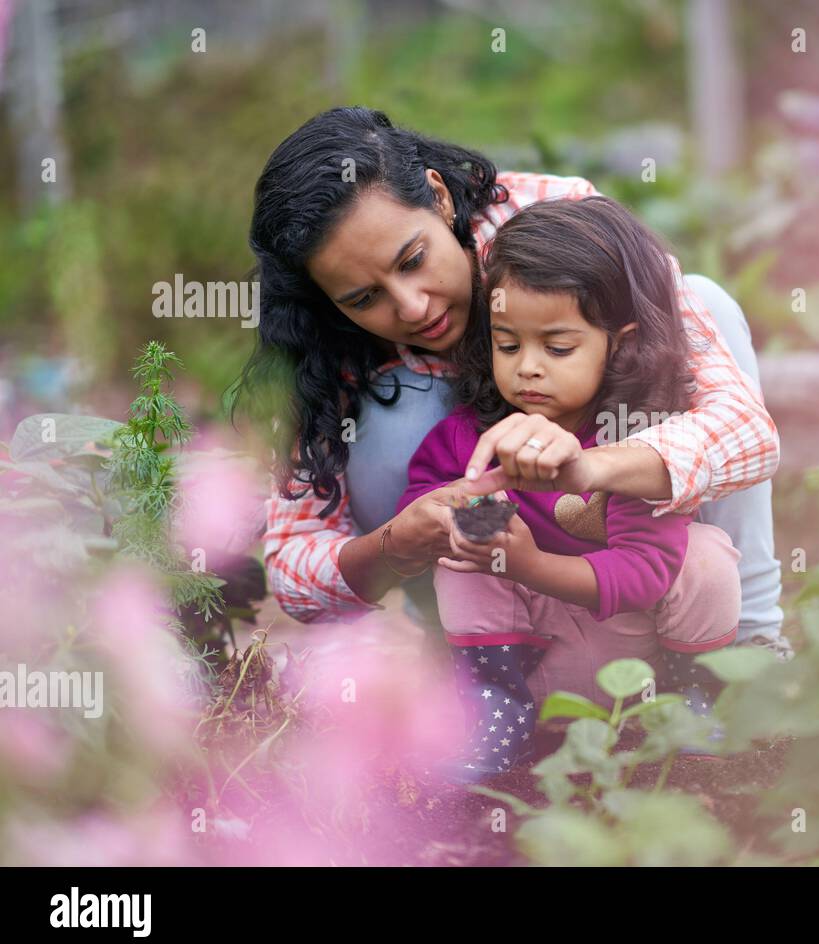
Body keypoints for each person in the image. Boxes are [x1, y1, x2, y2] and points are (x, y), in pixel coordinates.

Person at [233, 106, 789, 701]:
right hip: (490, 580)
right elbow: (293, 571)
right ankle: (476, 665)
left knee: (704, 306)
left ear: (440, 198)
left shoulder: (554, 226)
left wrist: (591, 464)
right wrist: (397, 543)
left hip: (634, 555)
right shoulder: (320, 339)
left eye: (413, 260)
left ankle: (749, 640)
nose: (413, 307)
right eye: (365, 297)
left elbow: (747, 432)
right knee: (396, 419)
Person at [397, 196, 741, 776]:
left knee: (704, 558)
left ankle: (694, 700)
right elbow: (421, 510)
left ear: (621, 344)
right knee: (459, 558)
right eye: (508, 344)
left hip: (635, 666)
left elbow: (646, 573)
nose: (528, 367)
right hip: (531, 664)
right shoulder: (471, 437)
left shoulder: (640, 447)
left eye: (557, 348)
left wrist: (528, 563)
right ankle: (494, 713)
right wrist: (467, 517)